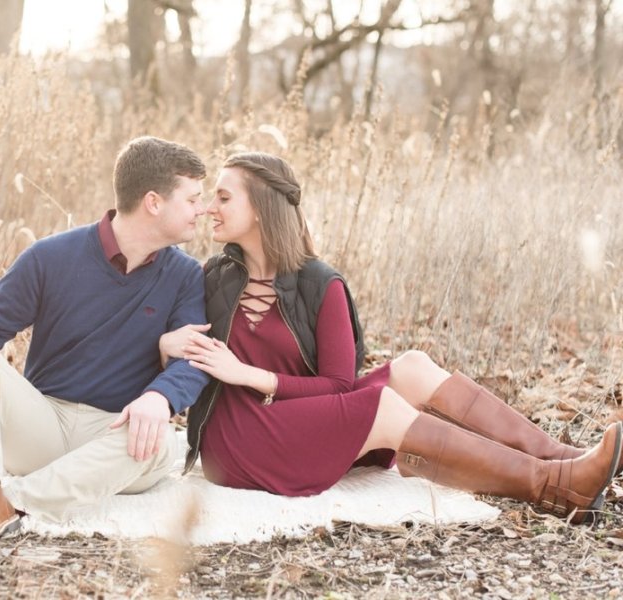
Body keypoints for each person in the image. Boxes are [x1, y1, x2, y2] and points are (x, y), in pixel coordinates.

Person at [161, 151, 622, 525]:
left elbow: (339, 386)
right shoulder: (211, 277)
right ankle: (553, 486)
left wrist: (252, 374)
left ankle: (567, 459)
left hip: (295, 417)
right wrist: (165, 348)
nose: (209, 208)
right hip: (240, 439)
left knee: (413, 366)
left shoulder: (321, 284)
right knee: (380, 406)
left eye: (223, 197)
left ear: (260, 208)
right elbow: (174, 349)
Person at [0, 136, 210, 550]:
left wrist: (160, 398)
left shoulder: (186, 276)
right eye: (193, 199)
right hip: (43, 423)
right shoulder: (50, 257)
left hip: (116, 437)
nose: (204, 208)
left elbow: (194, 360)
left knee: (160, 442)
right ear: (154, 202)